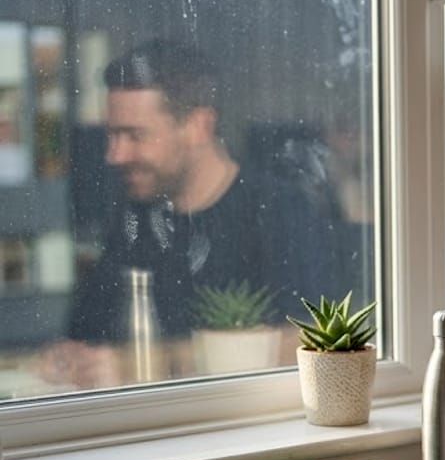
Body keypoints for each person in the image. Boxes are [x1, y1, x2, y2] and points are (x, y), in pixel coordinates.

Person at [40, 39, 347, 388]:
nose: (115, 155)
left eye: (135, 136)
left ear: (198, 126)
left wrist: (148, 363)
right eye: (112, 135)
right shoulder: (136, 217)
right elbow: (85, 334)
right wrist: (69, 360)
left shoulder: (278, 209)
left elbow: (318, 342)